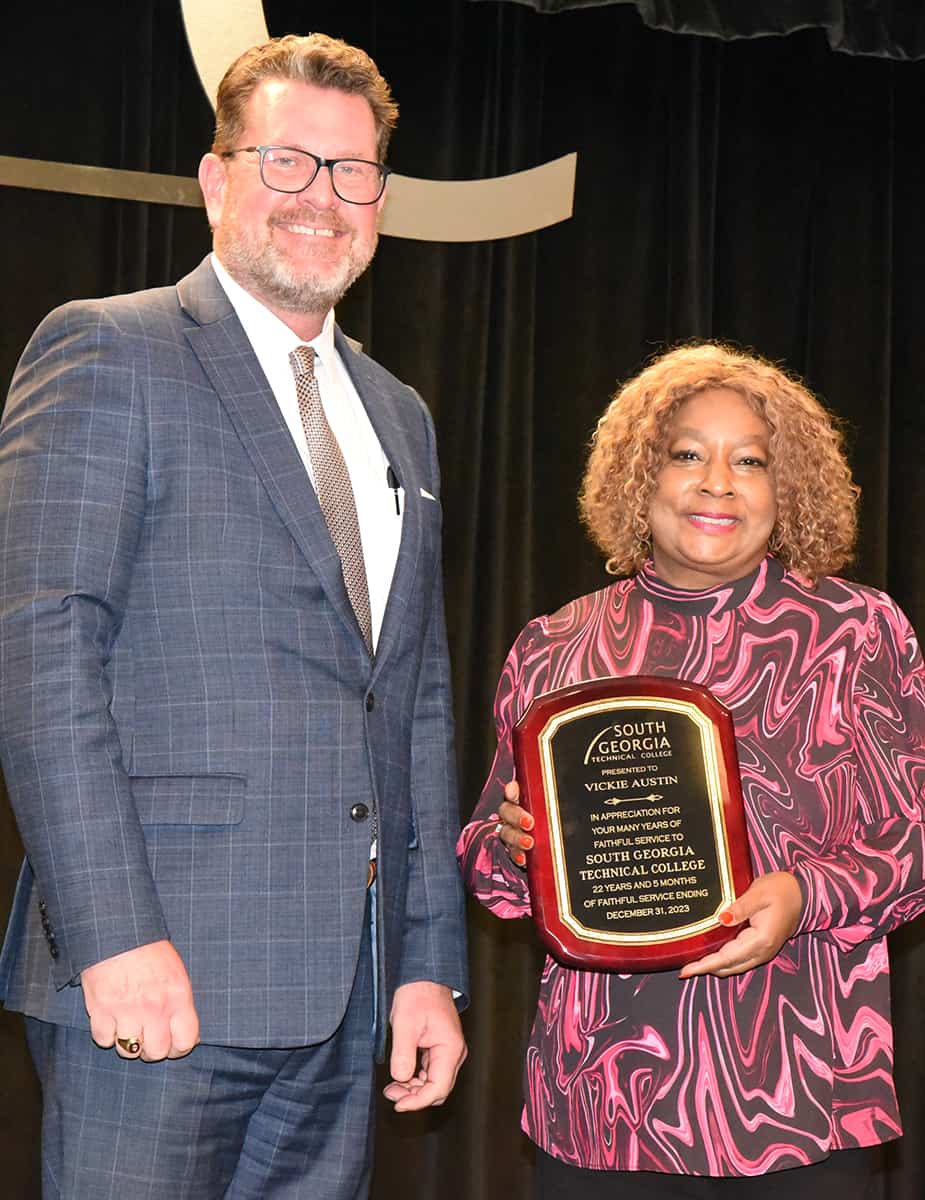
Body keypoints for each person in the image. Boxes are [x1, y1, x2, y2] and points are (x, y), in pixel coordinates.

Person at [0, 32, 467, 1199]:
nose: (323, 198)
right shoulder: (112, 348)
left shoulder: (399, 414)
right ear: (217, 180)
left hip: (345, 995)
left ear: (382, 199)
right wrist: (111, 935)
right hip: (160, 975)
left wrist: (424, 966)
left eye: (352, 172)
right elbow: (42, 655)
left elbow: (411, 701)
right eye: (288, 163)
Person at [458, 342, 925, 1199]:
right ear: (640, 477)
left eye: (750, 461)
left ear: (788, 489)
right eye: (686, 454)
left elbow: (914, 838)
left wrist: (805, 896)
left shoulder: (855, 631)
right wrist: (509, 844)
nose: (718, 482)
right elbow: (491, 871)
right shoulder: (554, 646)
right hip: (604, 1095)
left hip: (807, 1088)